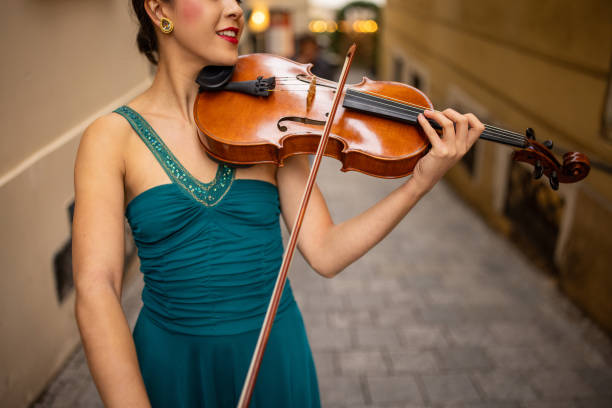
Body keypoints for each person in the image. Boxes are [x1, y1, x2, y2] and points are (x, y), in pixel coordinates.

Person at [72, 0, 485, 407]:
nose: (235, 8)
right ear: (160, 10)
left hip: (273, 356)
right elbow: (96, 289)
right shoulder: (111, 139)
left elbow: (326, 252)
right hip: (172, 366)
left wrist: (417, 184)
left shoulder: (267, 121)